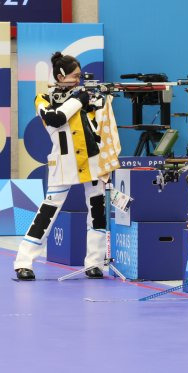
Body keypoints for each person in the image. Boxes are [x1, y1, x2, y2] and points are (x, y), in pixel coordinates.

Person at [14, 52, 107, 280]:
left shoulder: (84, 97)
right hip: (64, 163)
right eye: (74, 76)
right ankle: (23, 261)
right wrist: (79, 100)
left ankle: (95, 263)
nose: (78, 81)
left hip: (92, 162)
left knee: (97, 211)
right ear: (60, 75)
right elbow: (55, 118)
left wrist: (97, 101)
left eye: (80, 77)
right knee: (47, 212)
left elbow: (99, 121)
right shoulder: (43, 98)